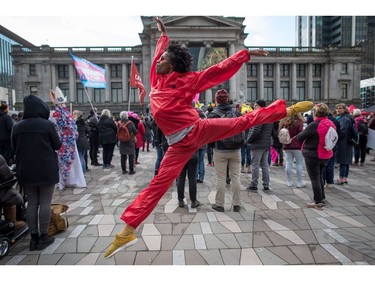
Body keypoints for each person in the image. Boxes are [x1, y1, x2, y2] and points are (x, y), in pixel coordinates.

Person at [103, 16, 313, 258]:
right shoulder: (156, 79)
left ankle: (285, 111)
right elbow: (160, 49)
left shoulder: (187, 81)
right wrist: (163, 34)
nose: (158, 60)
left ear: (172, 65)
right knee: (158, 184)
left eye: (163, 59)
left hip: (197, 129)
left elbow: (217, 71)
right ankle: (128, 230)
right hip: (177, 144)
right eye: (159, 58)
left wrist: (244, 55)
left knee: (240, 122)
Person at [11, 94, 62, 251]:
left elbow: (14, 148)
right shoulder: (46, 125)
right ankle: (44, 236)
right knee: (45, 202)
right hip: (46, 169)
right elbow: (58, 145)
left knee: (32, 203)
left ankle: (33, 238)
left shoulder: (17, 126)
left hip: (26, 169)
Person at [208, 89, 242, 212]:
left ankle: (219, 204)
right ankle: (236, 204)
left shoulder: (213, 114)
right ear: (227, 99)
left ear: (217, 100)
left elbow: (209, 134)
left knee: (220, 178)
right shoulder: (237, 113)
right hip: (236, 149)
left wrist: (212, 147)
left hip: (220, 149)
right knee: (236, 177)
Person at [296, 103, 336, 209]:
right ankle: (322, 197)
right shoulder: (330, 122)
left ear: (315, 113)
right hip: (326, 153)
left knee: (314, 178)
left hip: (313, 154)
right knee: (320, 176)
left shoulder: (315, 124)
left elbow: (300, 137)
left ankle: (317, 201)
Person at [50, 87, 86, 189]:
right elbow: (74, 130)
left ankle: (63, 181)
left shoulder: (54, 115)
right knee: (69, 162)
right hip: (67, 143)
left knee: (63, 162)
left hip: (62, 142)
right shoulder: (66, 116)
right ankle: (68, 180)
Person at [246, 99, 273, 191]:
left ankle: (254, 184)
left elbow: (255, 131)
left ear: (260, 106)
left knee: (255, 164)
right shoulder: (269, 116)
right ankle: (266, 184)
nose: (254, 107)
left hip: (257, 144)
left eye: (256, 105)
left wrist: (248, 140)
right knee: (264, 164)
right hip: (266, 144)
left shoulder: (259, 116)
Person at [279, 114, 305, 188]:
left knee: (288, 163)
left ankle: (289, 181)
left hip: (287, 145)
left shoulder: (283, 122)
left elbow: (279, 133)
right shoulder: (299, 122)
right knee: (299, 164)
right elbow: (301, 134)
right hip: (297, 146)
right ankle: (299, 182)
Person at [334, 103, 355, 185]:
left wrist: (336, 138)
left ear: (344, 109)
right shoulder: (347, 117)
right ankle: (345, 178)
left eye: (340, 108)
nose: (338, 110)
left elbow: (342, 131)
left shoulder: (344, 119)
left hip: (343, 142)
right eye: (337, 108)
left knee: (343, 161)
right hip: (347, 142)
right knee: (346, 162)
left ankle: (341, 179)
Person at [195, 107, 207, 183]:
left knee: (196, 160)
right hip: (204, 143)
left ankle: (196, 177)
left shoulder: (195, 121)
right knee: (201, 160)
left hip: (196, 143)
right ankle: (201, 177)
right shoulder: (206, 121)